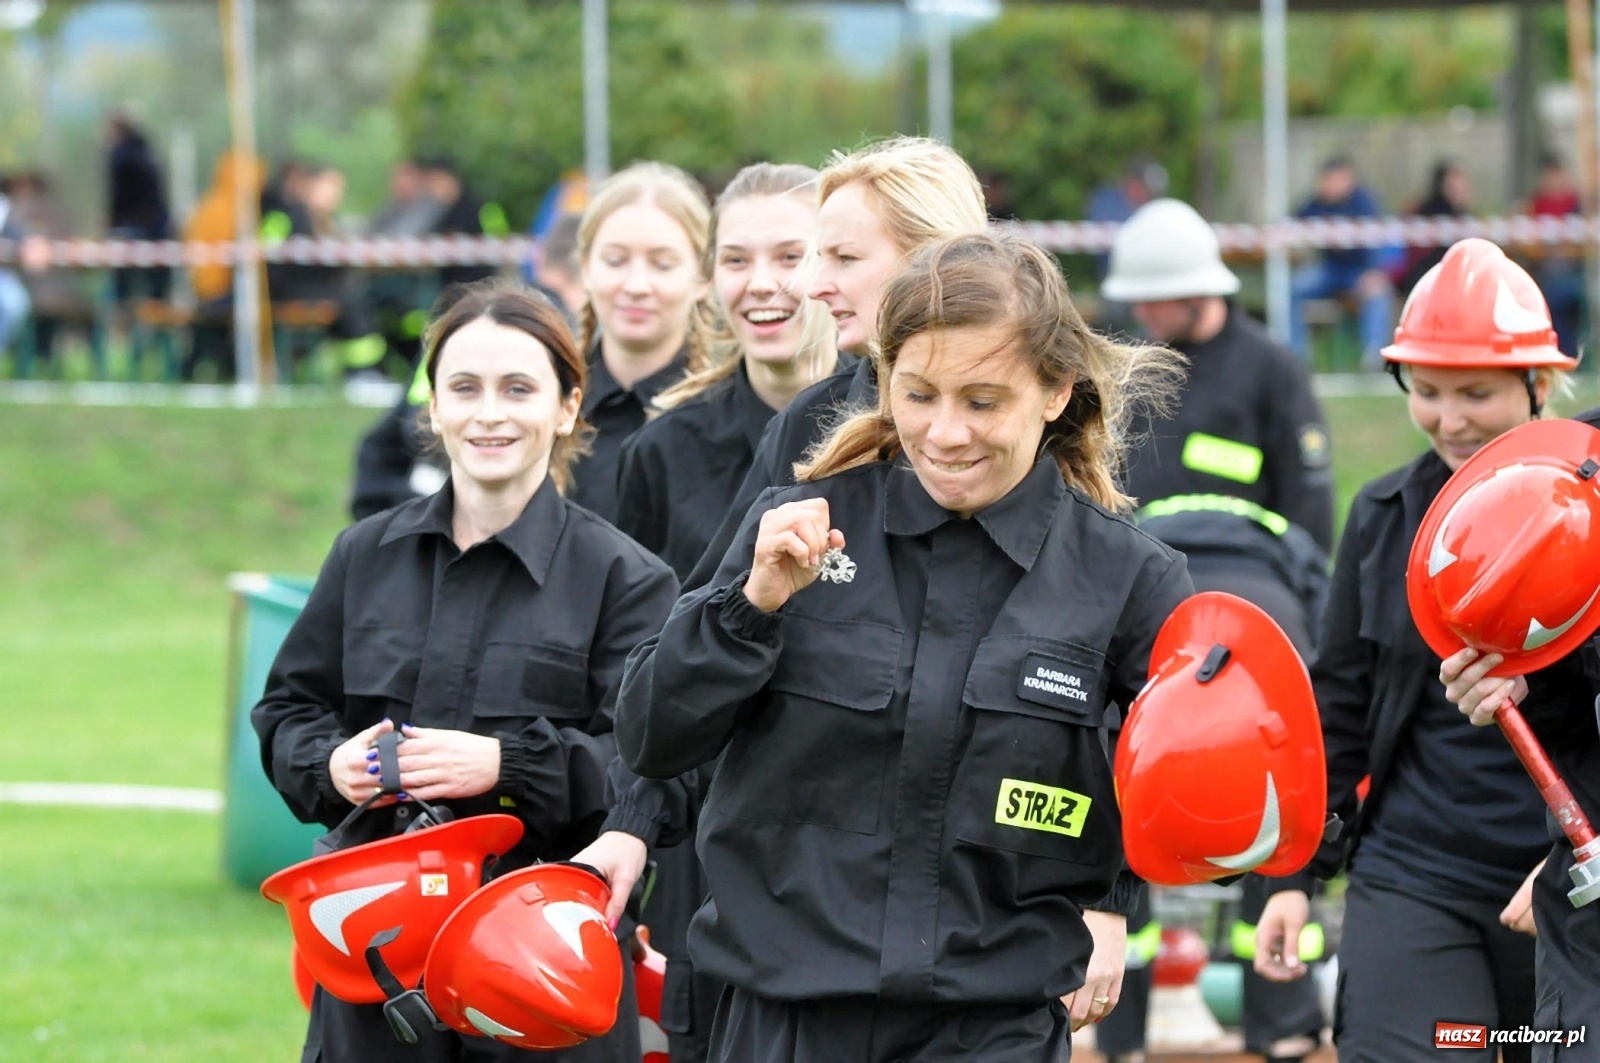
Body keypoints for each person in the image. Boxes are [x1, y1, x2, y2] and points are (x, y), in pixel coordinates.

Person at [609, 230, 1191, 1061]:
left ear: (1057, 390)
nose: (946, 433)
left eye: (983, 401)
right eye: (917, 395)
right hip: (784, 1020)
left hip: (991, 1028)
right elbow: (651, 735)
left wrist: (1115, 894)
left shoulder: (1132, 579)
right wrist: (750, 605)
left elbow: (1201, 809)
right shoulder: (796, 527)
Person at [252, 281, 680, 1062]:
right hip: (376, 968)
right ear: (435, 408)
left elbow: (654, 770)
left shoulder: (630, 579)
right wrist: (330, 762)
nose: (490, 413)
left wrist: (505, 765)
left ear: (565, 406)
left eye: (519, 388)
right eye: (465, 388)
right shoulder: (364, 554)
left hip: (545, 970)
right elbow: (286, 710)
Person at [1255, 239, 1578, 1062]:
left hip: (1573, 878)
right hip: (1417, 874)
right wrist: (1295, 875)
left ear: (1539, 384)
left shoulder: (1593, 515)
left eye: (1477, 391)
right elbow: (1338, 704)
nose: (1450, 418)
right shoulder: (1383, 516)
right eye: (1426, 391)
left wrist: (1577, 856)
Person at [574, 162, 842, 1063]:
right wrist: (632, 820)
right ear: (711, 276)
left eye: (790, 255)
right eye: (737, 258)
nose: (761, 283)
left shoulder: (901, 428)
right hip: (707, 824)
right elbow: (637, 660)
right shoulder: (665, 448)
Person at [1095, 195, 1334, 1063]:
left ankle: (1282, 1019)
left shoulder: (1270, 368)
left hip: (1254, 605)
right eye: (1141, 304)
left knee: (1273, 794)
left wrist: (1298, 612)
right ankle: (1113, 1027)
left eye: (1161, 302)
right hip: (1145, 598)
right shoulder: (1122, 365)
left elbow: (1309, 505)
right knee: (1126, 782)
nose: (1146, 318)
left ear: (1204, 289)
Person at [681, 135, 990, 592]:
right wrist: (751, 603)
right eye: (818, 259)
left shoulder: (1052, 419)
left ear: (934, 258)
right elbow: (685, 643)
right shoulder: (805, 425)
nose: (815, 286)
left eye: (845, 259)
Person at [1102, 197, 1336, 553]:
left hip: (1240, 573)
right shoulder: (1134, 369)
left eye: (1151, 298)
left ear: (1195, 294)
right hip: (1140, 574)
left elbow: (1309, 502)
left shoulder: (1271, 369)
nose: (1140, 311)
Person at [567, 161, 713, 524]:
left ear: (703, 276)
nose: (636, 285)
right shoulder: (548, 406)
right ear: (586, 268)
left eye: (662, 265)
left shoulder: (730, 416)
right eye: (616, 261)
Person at [1289, 155, 1395, 367]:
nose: (1329, 185)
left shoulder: (1365, 204)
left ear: (1348, 179)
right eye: (1326, 180)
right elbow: (1293, 223)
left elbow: (1379, 244)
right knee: (1293, 287)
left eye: (1334, 179)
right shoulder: (1318, 203)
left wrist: (1374, 271)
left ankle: (1374, 358)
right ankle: (1295, 355)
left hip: (1360, 271)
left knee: (1378, 291)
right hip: (1331, 270)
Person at [105, 111, 172, 303]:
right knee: (156, 287)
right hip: (157, 228)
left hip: (132, 228)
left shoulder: (121, 157)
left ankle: (122, 320)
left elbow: (118, 196)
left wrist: (113, 222)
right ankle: (156, 318)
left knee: (123, 285)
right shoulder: (148, 154)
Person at [1527, 152, 1586, 360]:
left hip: (1572, 274)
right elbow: (1530, 247)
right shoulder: (1536, 205)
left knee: (1561, 298)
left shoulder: (1577, 205)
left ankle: (1566, 354)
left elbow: (1581, 248)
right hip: (1544, 274)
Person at [1393, 159, 1471, 296]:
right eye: (1454, 182)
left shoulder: (1462, 214)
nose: (1460, 186)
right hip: (1426, 277)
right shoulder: (1424, 212)